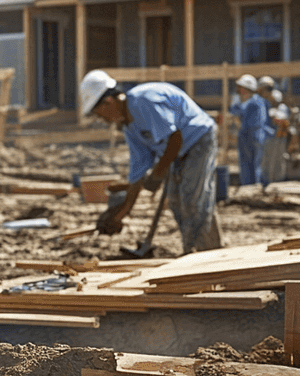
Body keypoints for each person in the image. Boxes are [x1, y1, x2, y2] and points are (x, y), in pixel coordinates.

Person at [79, 70, 221, 254]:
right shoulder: (130, 127)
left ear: (108, 101)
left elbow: (175, 138)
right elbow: (138, 172)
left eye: (99, 114)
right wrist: (121, 214)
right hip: (177, 151)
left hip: (198, 139)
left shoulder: (144, 102)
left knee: (192, 199)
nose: (103, 120)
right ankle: (206, 248)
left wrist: (157, 174)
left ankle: (202, 253)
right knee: (177, 201)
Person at [229, 74, 269, 187]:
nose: (238, 90)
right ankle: (250, 186)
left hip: (252, 136)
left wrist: (235, 107)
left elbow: (240, 114)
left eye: (241, 88)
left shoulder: (255, 103)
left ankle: (253, 187)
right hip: (250, 136)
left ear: (247, 89)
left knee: (253, 164)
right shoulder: (253, 102)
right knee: (249, 164)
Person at [257, 77, 290, 185]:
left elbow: (281, 120)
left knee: (277, 160)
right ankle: (268, 181)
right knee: (267, 161)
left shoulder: (281, 107)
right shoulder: (263, 104)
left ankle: (277, 181)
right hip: (270, 137)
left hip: (278, 137)